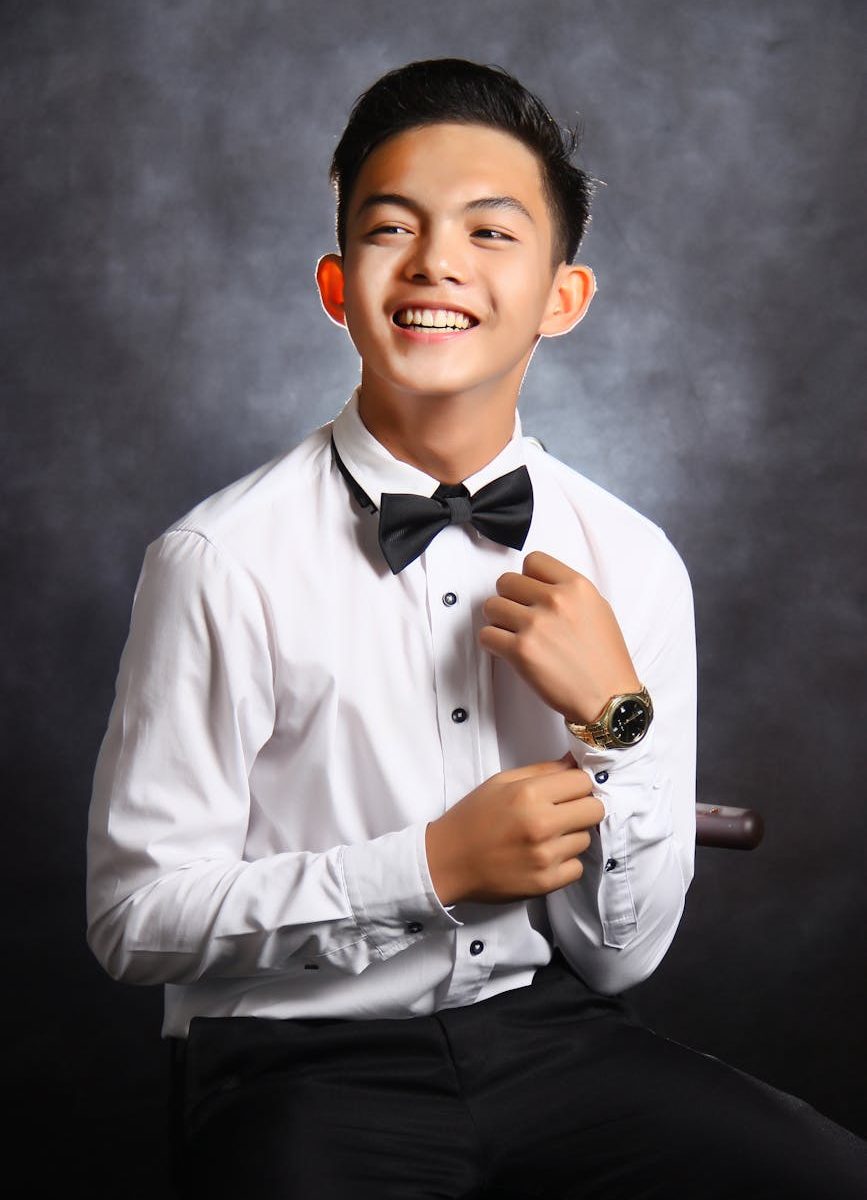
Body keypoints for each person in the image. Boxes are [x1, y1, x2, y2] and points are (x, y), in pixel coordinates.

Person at [86, 58, 866, 1198]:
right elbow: (134, 918)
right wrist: (432, 868)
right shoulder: (218, 561)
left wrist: (619, 723)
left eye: (490, 232)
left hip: (555, 1040)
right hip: (297, 1068)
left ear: (564, 295)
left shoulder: (633, 559)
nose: (437, 262)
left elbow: (621, 954)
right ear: (338, 284)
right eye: (392, 227)